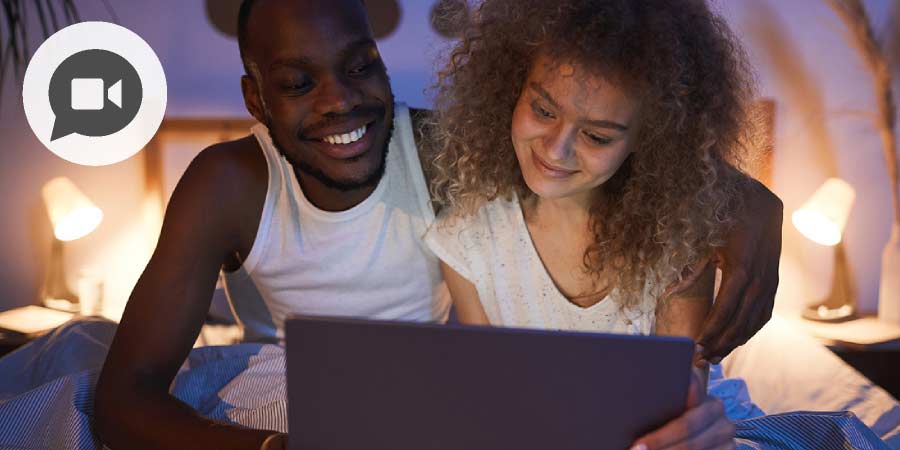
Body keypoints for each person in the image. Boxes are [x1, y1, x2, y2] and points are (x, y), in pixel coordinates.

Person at [91, 0, 783, 448]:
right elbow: (125, 397)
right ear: (255, 96)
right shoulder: (227, 183)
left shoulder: (447, 148)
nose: (340, 103)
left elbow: (627, 154)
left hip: (450, 406)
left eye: (361, 67)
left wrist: (749, 200)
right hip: (292, 405)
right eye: (298, 84)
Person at [423, 1, 887, 450]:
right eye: (543, 110)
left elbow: (674, 409)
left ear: (649, 137)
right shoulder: (468, 241)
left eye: (597, 135)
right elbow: (498, 397)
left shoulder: (676, 238)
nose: (556, 148)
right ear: (512, 87)